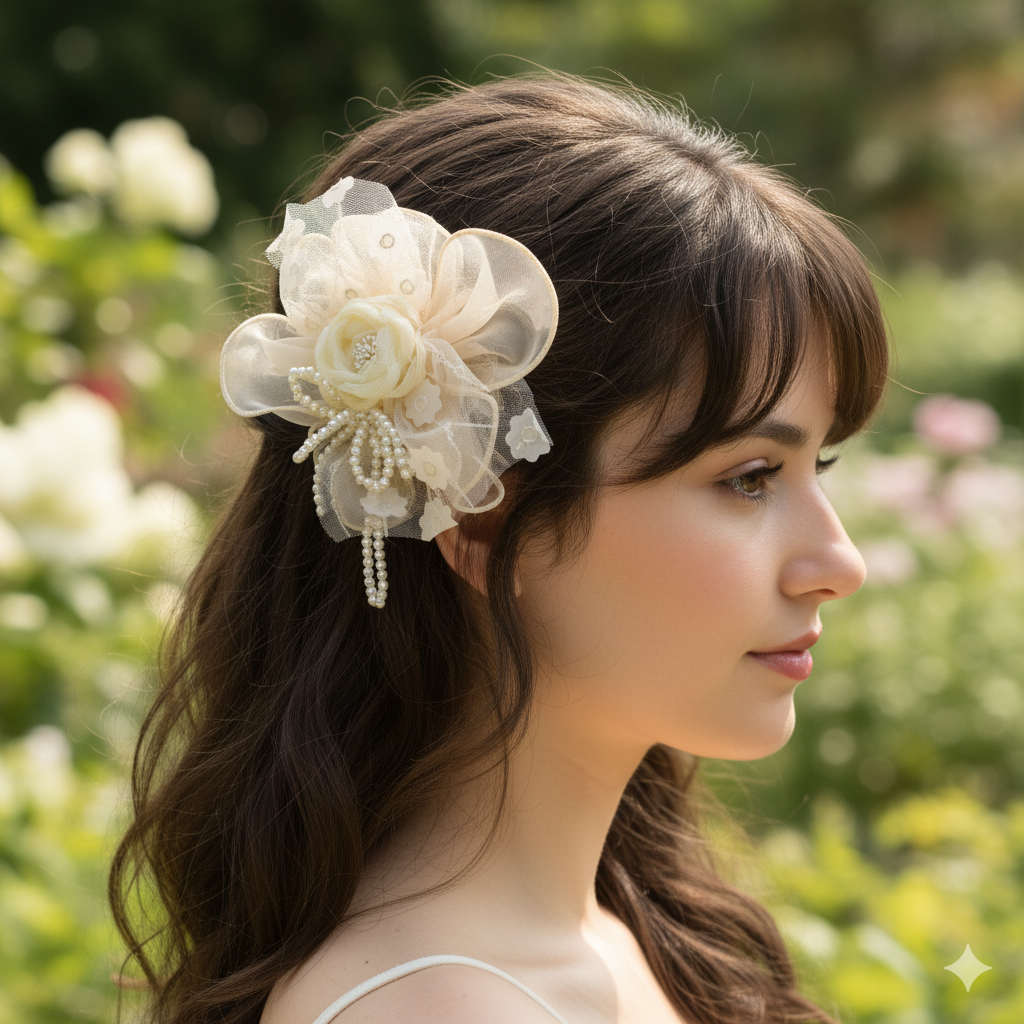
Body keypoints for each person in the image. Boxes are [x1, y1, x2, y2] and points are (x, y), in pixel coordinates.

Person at [110, 74, 889, 1024]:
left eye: (822, 466)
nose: (839, 562)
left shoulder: (624, 934)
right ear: (483, 519)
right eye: (750, 477)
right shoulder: (434, 1007)